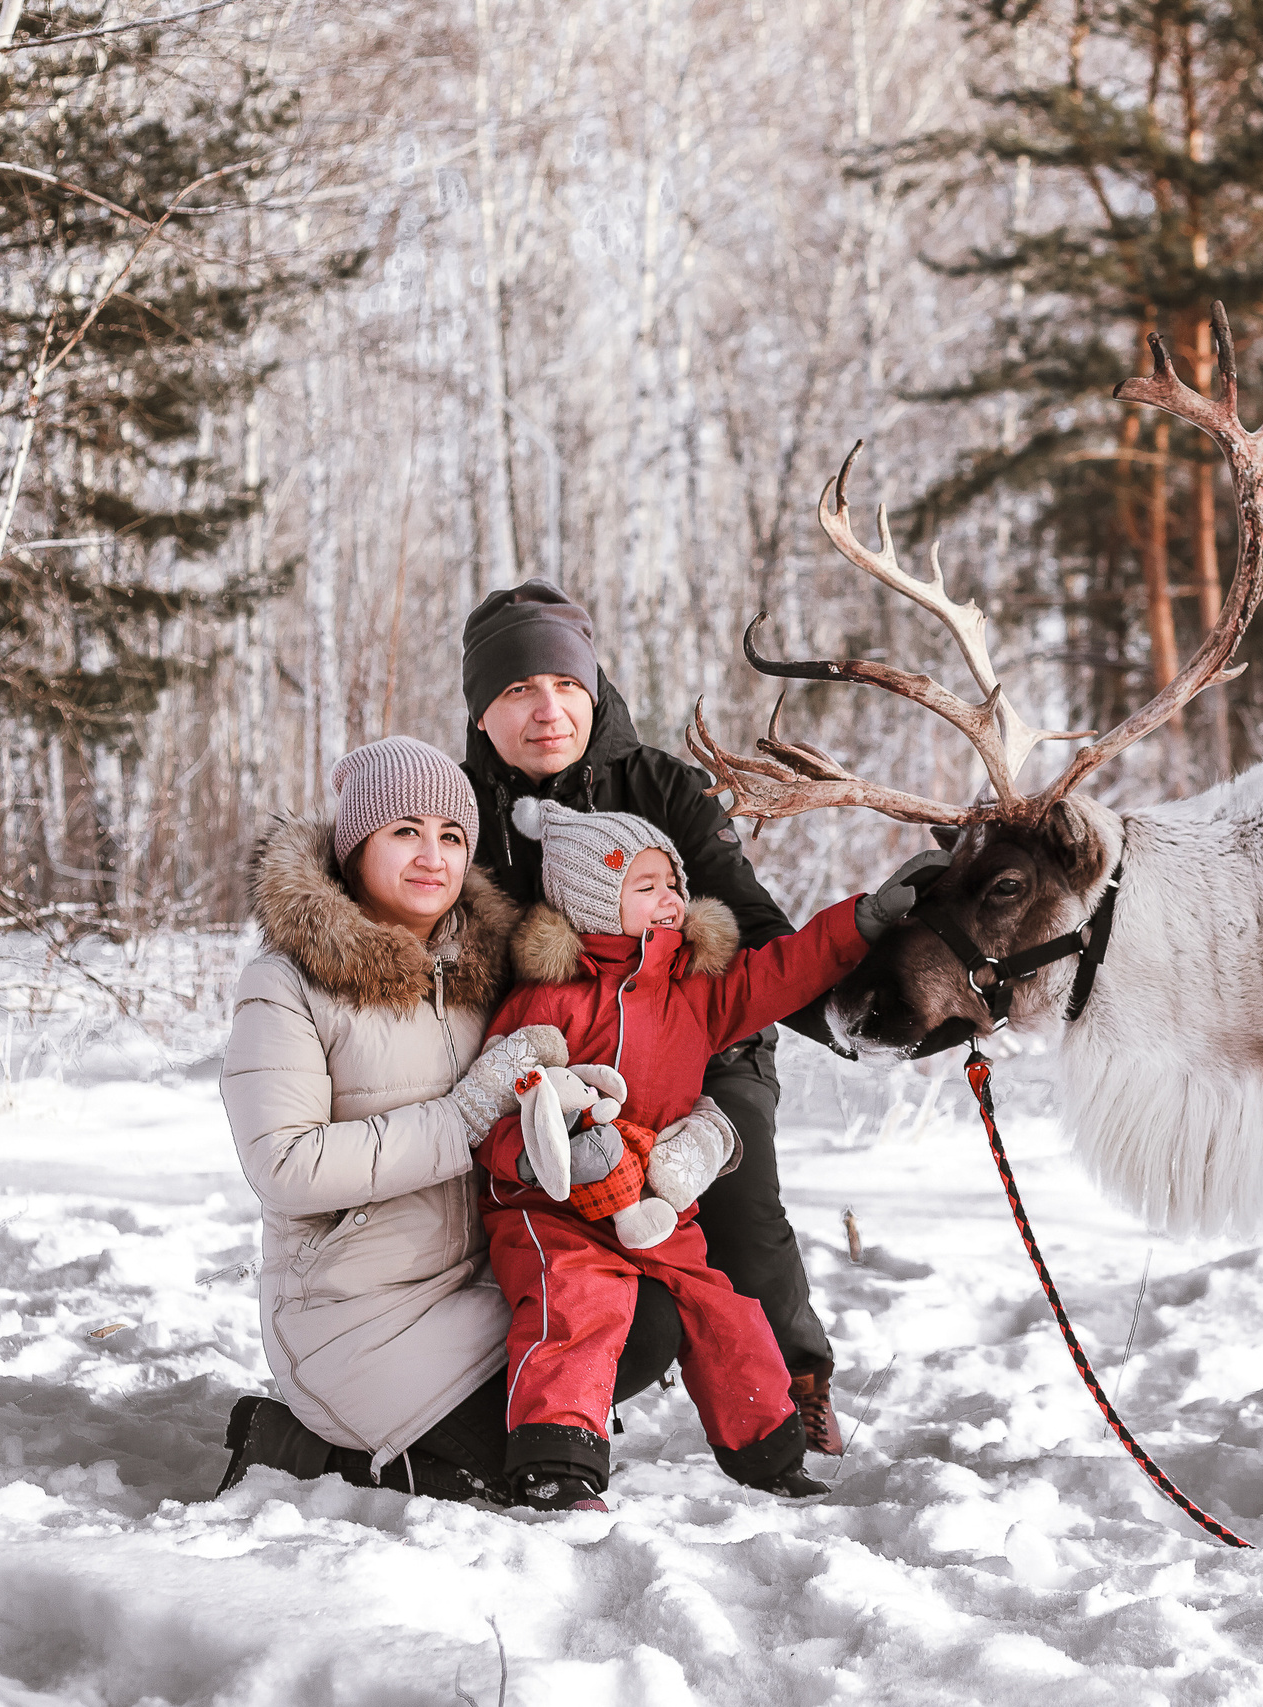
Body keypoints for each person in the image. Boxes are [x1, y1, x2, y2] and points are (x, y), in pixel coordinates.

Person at [212, 737, 669, 1501]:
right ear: (356, 846)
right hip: (350, 1317)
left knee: (641, 1319)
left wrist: (563, 1112)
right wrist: (459, 1120)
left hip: (478, 1285)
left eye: (451, 836)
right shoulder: (285, 983)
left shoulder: (484, 970)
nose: (432, 855)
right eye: (404, 831)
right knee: (519, 1462)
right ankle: (295, 1441)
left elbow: (517, 1101)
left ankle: (469, 1438)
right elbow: (283, 1166)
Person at [458, 579, 851, 1453]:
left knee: (739, 1200)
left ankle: (798, 1383)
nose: (546, 708)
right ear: (483, 712)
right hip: (561, 1069)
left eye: (563, 683)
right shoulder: (466, 814)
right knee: (536, 1220)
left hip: (701, 1039)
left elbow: (754, 925)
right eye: (517, 689)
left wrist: (848, 1015)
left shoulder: (662, 784)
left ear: (592, 686)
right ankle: (561, 1380)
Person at [471, 799, 941, 1510]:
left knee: (723, 1308)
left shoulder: (692, 991)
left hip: (656, 1205)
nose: (672, 899)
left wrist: (862, 921)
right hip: (553, 1208)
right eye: (647, 885)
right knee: (579, 1303)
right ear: (595, 899)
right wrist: (539, 1160)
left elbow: (780, 973)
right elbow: (493, 1116)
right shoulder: (548, 1002)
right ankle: (555, 1462)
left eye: (673, 882)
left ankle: (772, 1452)